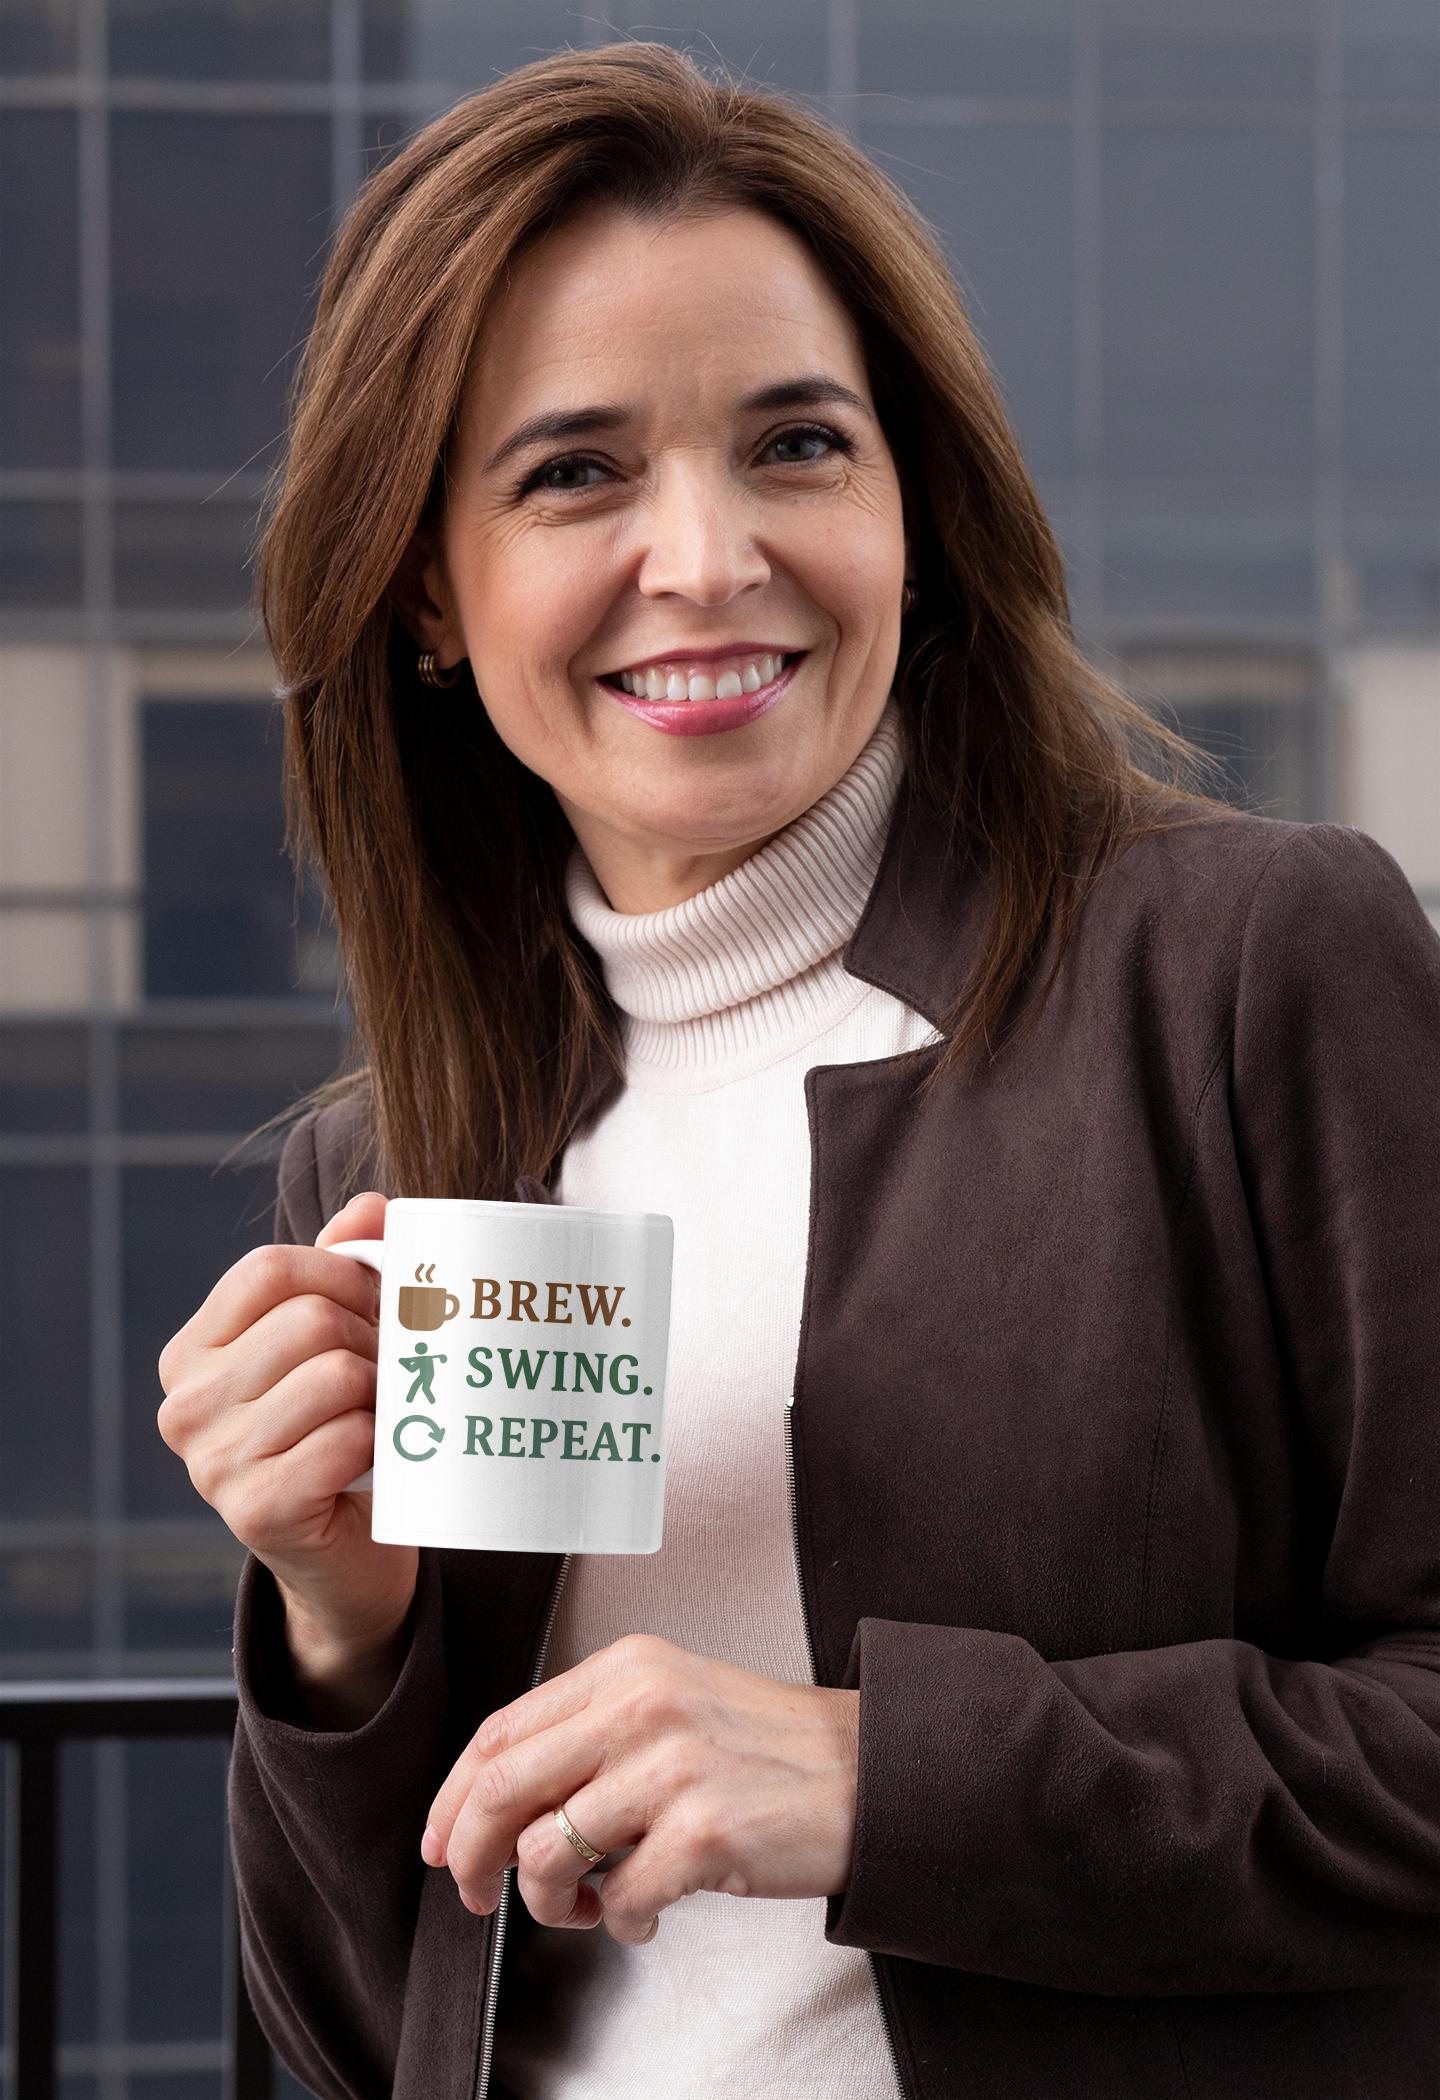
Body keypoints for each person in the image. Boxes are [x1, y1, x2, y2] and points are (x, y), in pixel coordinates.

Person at [157, 41, 1440, 2100]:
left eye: (797, 445)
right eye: (574, 473)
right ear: (423, 592)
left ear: (912, 509)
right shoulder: (397, 1169)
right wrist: (339, 1626)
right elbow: (350, 2029)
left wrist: (873, 1776)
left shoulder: (1244, 971)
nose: (707, 556)